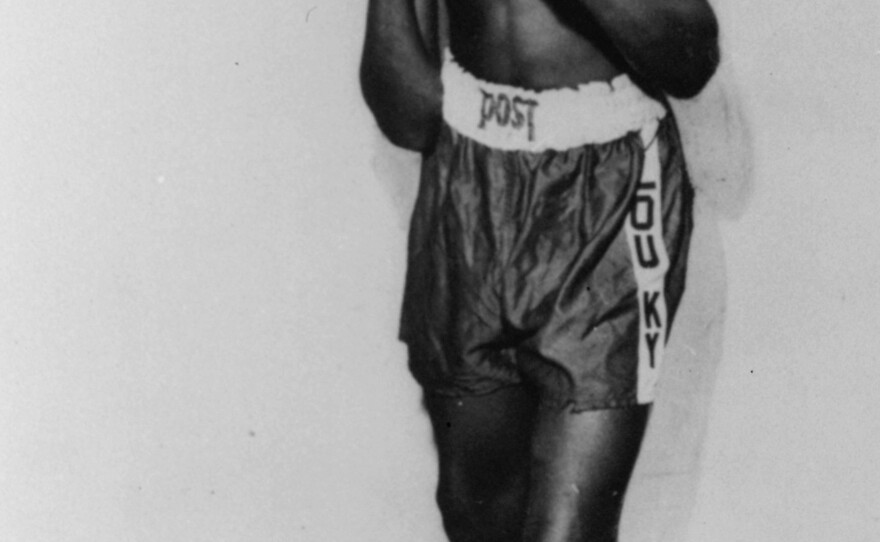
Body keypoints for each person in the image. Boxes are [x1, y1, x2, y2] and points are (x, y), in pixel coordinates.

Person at [360, 0, 719, 540]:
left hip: (606, 196)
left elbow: (691, 61)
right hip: (468, 183)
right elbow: (407, 118)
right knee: (475, 515)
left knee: (571, 529)